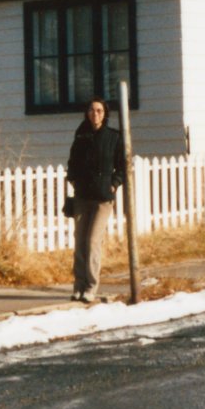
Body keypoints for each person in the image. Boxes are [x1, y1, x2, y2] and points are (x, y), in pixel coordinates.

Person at [66, 96, 125, 303]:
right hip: (82, 195)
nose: (95, 114)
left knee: (92, 242)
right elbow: (72, 161)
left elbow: (123, 166)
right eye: (91, 110)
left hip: (102, 198)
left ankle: (91, 287)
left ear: (105, 113)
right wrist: (72, 178)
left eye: (99, 110)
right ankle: (78, 286)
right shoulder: (81, 135)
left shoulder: (113, 137)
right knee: (80, 242)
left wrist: (114, 183)